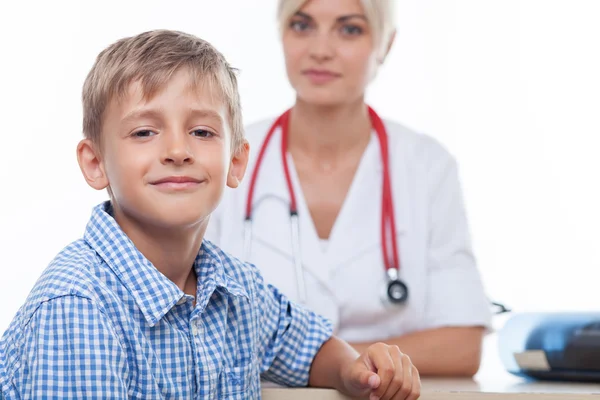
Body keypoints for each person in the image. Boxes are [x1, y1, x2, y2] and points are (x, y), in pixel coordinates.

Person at [0, 30, 421, 399]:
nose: (178, 151)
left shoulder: (237, 289)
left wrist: (352, 370)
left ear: (236, 162)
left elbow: (307, 346)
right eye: (145, 132)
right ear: (95, 163)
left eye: (202, 132)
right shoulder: (78, 309)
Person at [205, 0, 492, 377]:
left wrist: (320, 357)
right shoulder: (222, 153)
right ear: (281, 36)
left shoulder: (426, 166)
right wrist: (348, 358)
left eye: (350, 29)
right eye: (302, 25)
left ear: (386, 44)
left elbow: (461, 347)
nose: (320, 50)